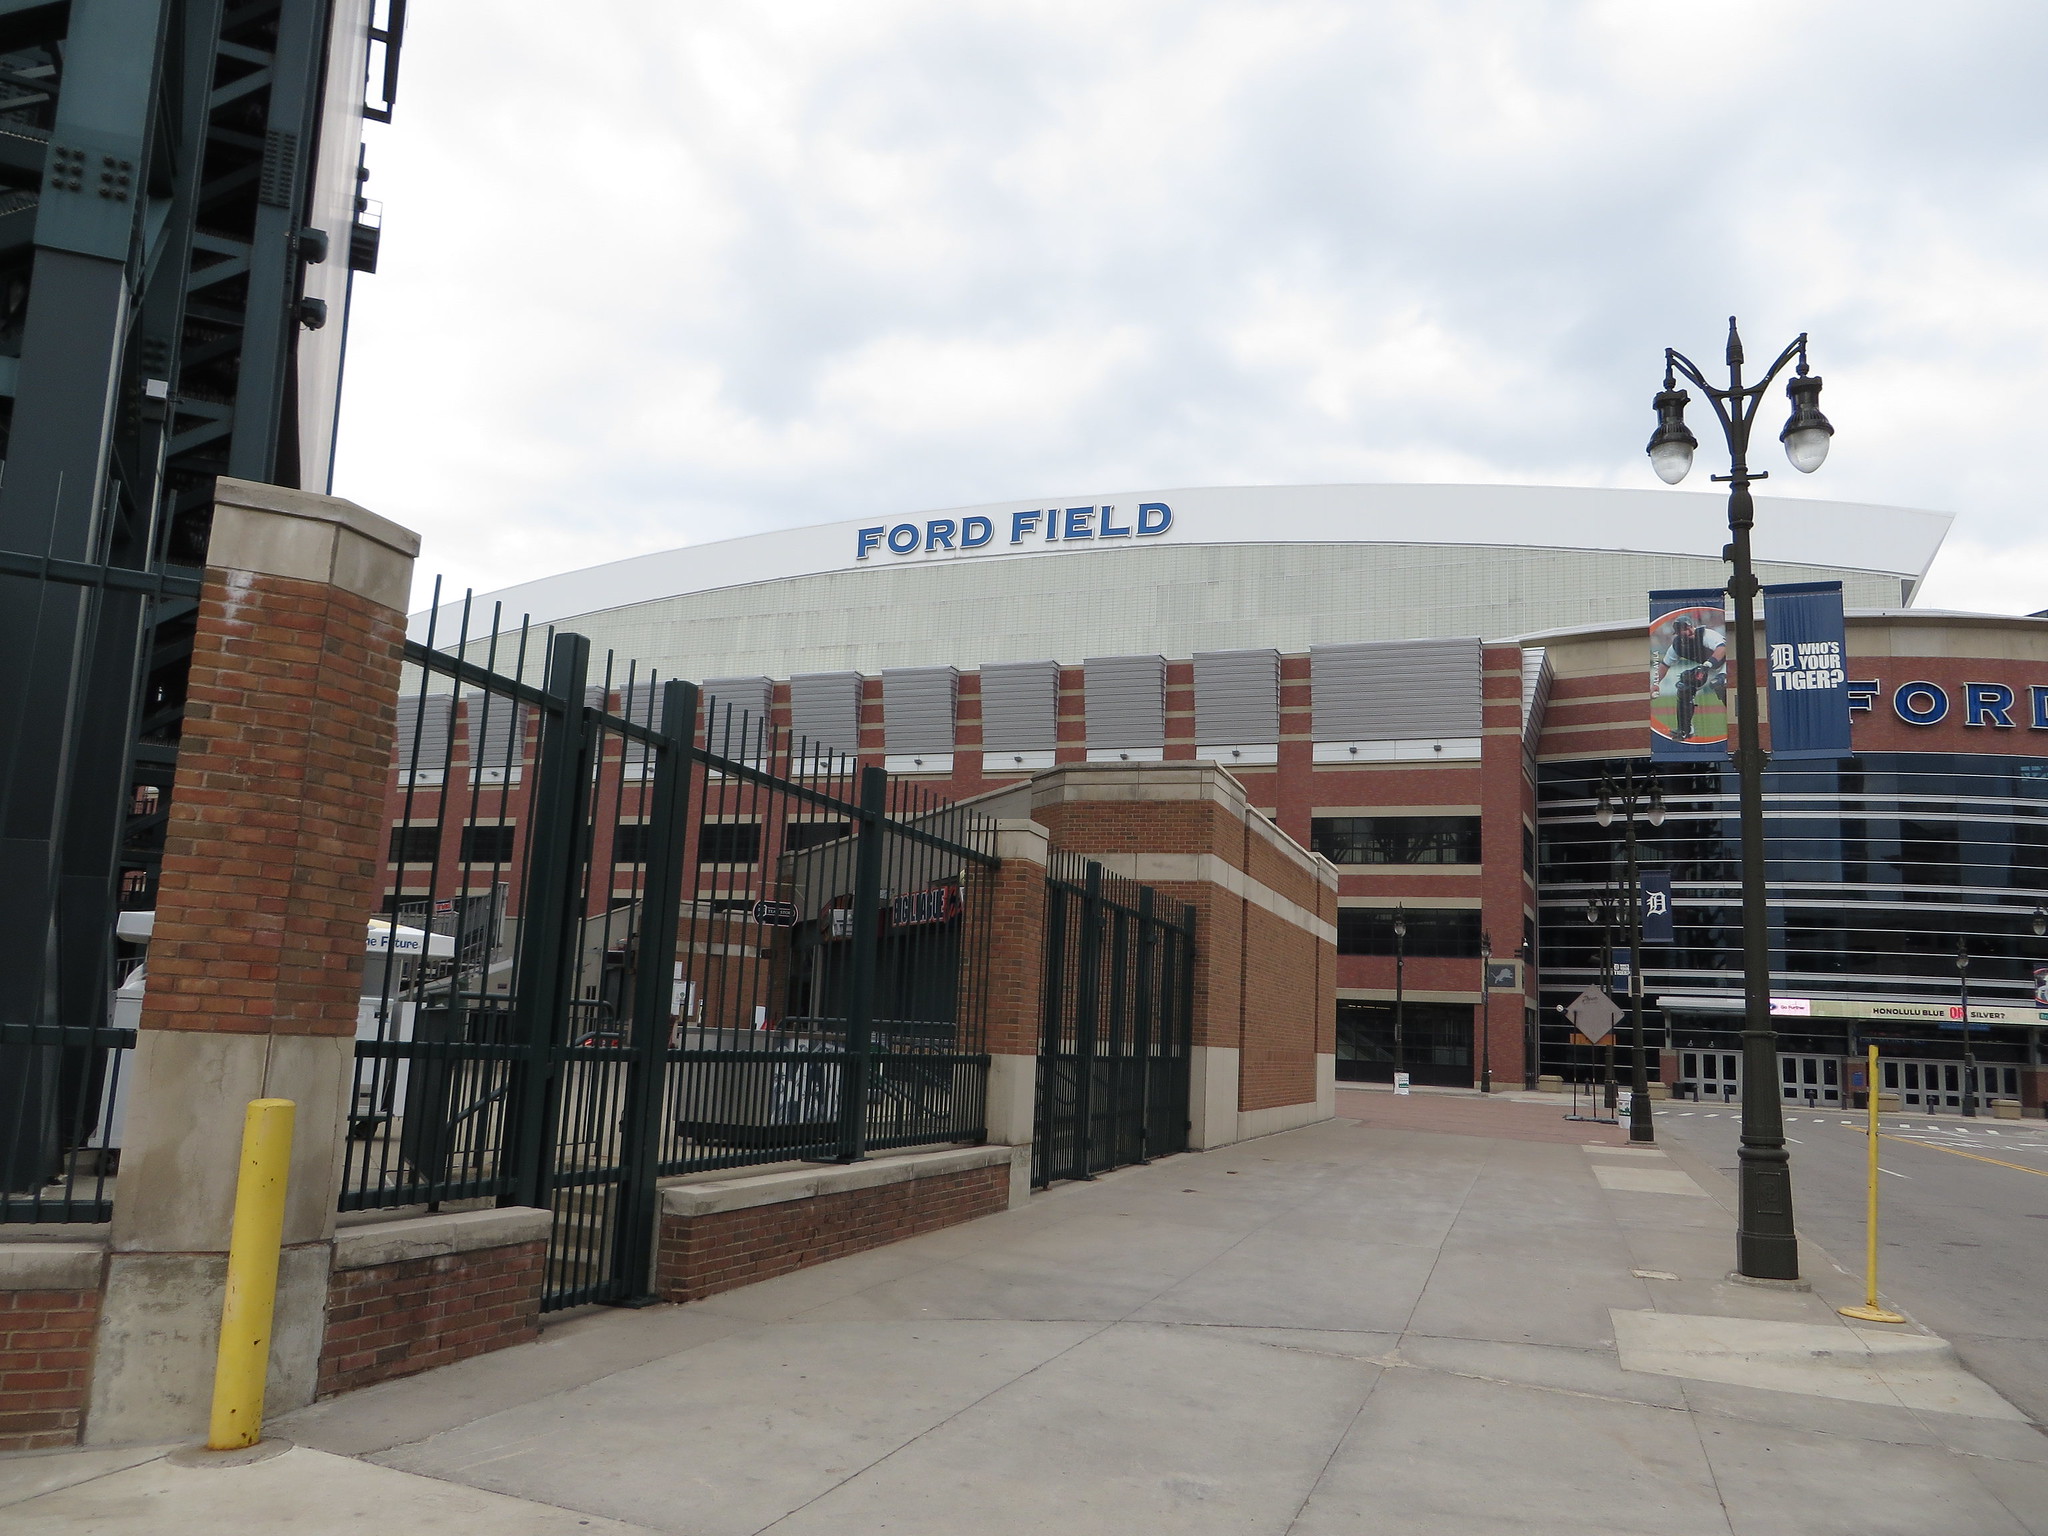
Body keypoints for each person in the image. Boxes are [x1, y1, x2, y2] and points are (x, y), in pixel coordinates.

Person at [1653, 616, 1726, 741]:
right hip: (1708, 667)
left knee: (1720, 684)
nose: (1689, 631)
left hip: (1727, 663)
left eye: (1689, 627)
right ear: (1678, 633)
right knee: (1684, 687)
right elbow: (1664, 664)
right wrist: (1655, 683)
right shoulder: (1676, 646)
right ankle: (1685, 729)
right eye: (1684, 629)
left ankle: (1738, 721)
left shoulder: (1706, 634)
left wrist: (1707, 665)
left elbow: (1722, 648)